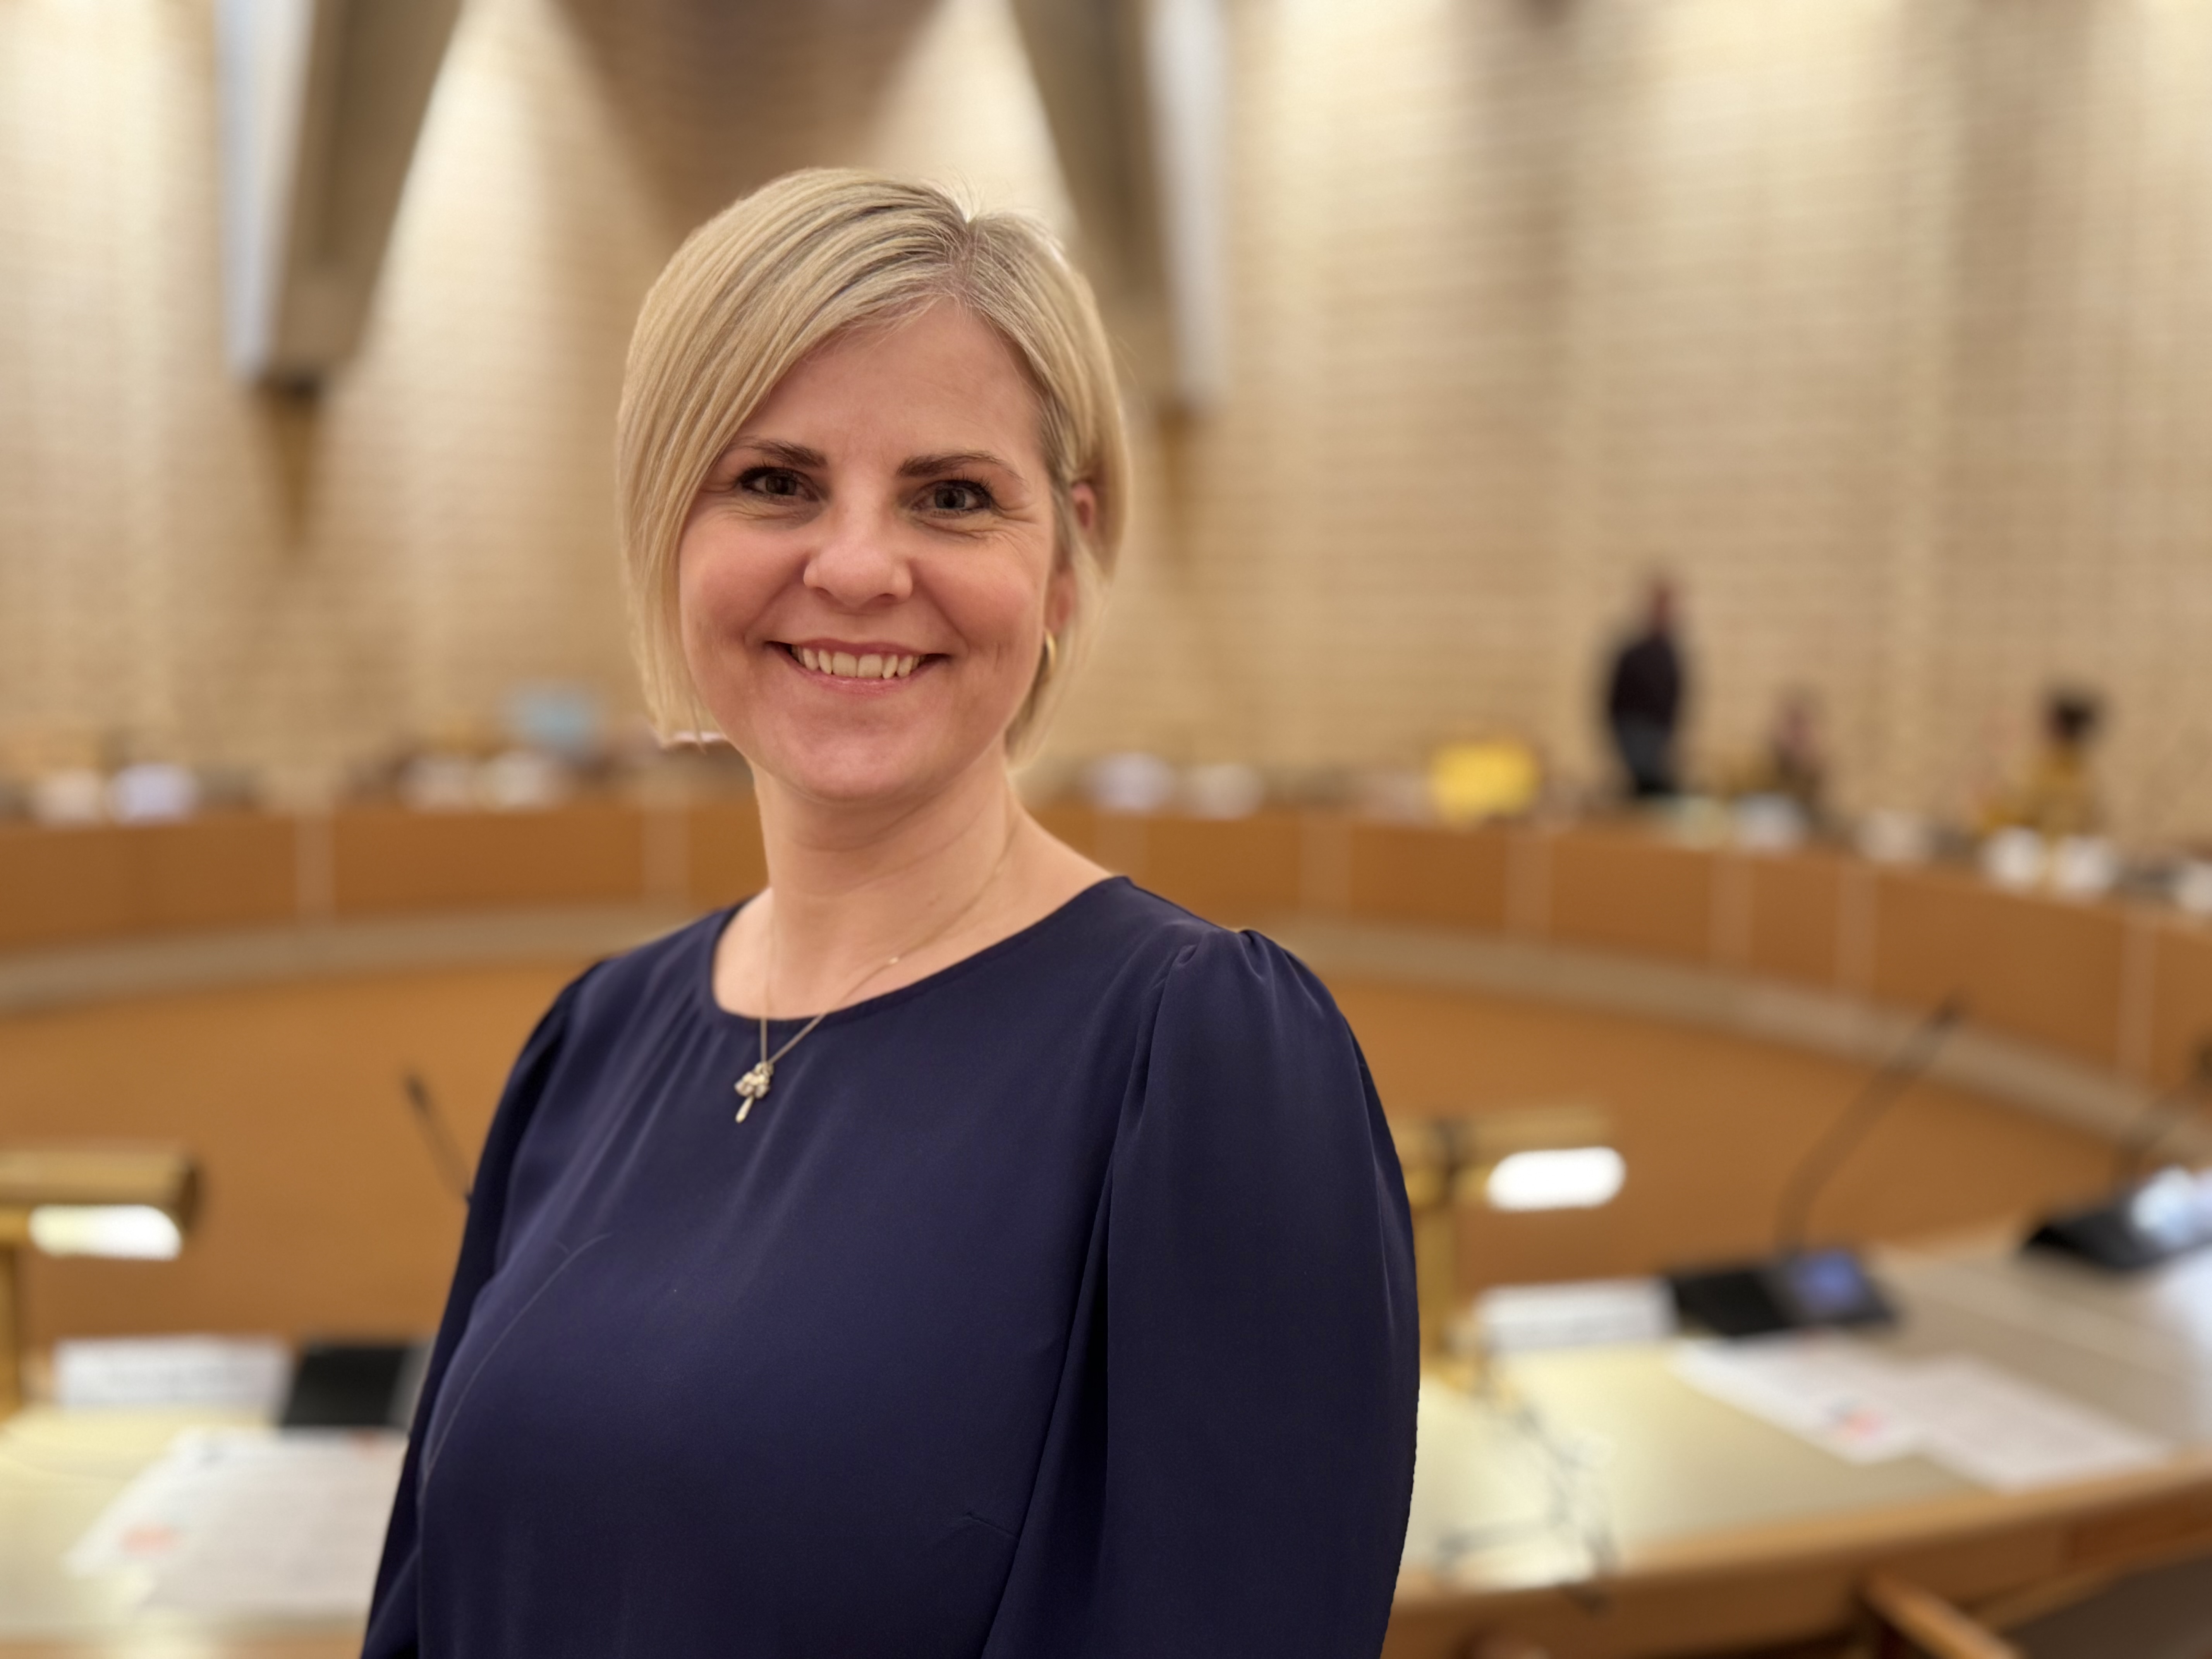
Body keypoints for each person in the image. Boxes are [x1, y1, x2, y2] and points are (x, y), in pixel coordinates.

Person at [364, 171, 1418, 1658]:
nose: (857, 567)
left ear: (1062, 564)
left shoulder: (1204, 1057)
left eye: (953, 496)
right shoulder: (591, 1041)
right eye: (774, 481)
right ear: (670, 528)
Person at [1604, 576, 1686, 798]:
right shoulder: (1633, 654)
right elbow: (1615, 701)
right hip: (1635, 735)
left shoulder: (1671, 654)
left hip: (1660, 736)